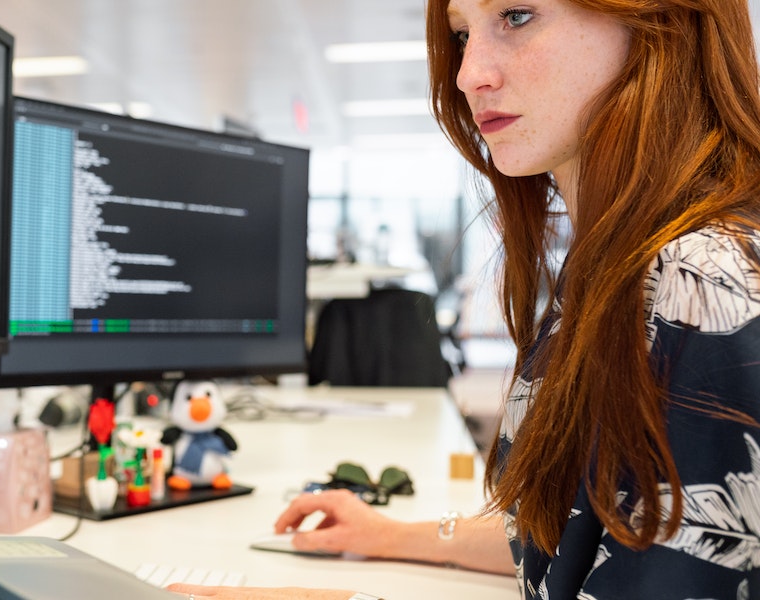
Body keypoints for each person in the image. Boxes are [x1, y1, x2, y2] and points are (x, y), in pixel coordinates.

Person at [170, 0, 760, 598]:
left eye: (516, 16)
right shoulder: (618, 264)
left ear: (657, 23)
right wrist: (391, 535)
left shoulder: (703, 281)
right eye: (460, 34)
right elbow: (578, 542)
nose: (467, 73)